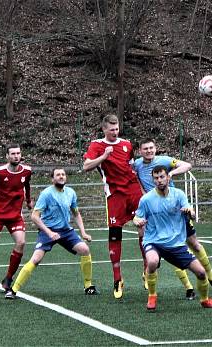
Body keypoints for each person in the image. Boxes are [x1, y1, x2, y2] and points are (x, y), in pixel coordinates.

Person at [133, 139, 212, 298]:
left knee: (195, 245)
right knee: (169, 246)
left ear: (155, 148)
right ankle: (188, 288)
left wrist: (171, 173)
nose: (149, 151)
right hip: (156, 214)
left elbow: (187, 165)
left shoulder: (164, 161)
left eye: (151, 148)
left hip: (176, 210)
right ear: (140, 151)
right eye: (145, 149)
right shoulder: (137, 165)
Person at [5, 168, 96, 299]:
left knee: (85, 249)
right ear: (52, 179)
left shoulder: (71, 193)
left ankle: (88, 286)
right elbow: (34, 216)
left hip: (65, 231)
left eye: (63, 174)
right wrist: (49, 232)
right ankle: (13, 290)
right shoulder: (46, 194)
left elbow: (76, 213)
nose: (61, 176)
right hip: (47, 231)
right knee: (36, 259)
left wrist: (84, 232)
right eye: (58, 175)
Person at [83, 114, 144, 299]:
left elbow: (133, 168)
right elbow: (86, 166)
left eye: (117, 129)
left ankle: (147, 271)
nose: (115, 132)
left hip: (133, 191)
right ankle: (117, 279)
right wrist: (104, 156)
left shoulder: (126, 144)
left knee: (143, 228)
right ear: (104, 129)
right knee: (115, 234)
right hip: (114, 194)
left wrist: (143, 190)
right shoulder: (97, 145)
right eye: (111, 129)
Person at [0, 144, 33, 293]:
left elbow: (27, 185)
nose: (16, 156)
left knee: (21, 243)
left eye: (18, 153)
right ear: (7, 156)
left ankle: (8, 278)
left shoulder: (27, 171)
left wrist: (28, 200)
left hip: (15, 214)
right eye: (13, 154)